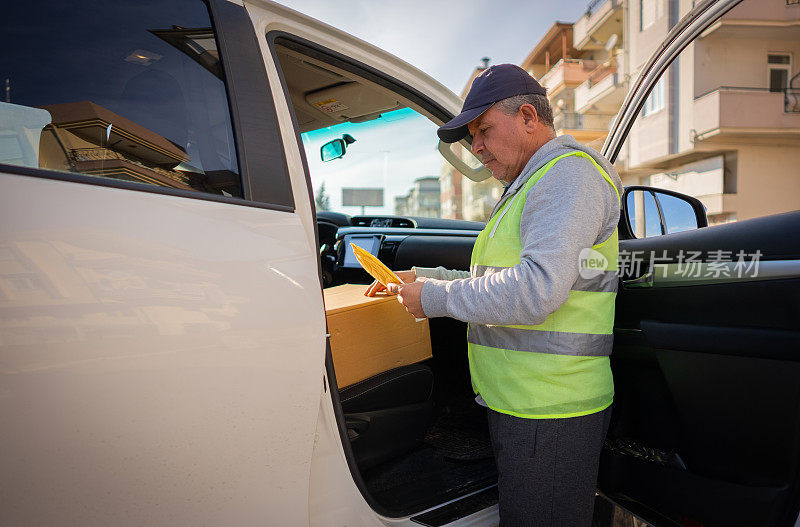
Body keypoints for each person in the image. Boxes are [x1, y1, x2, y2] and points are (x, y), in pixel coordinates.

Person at [366, 63, 622, 526]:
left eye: (483, 130)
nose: (476, 147)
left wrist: (436, 299)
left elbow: (536, 288)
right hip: (522, 403)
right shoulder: (528, 184)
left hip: (552, 410)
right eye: (472, 137)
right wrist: (416, 277)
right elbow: (488, 275)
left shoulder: (568, 178)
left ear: (528, 116)